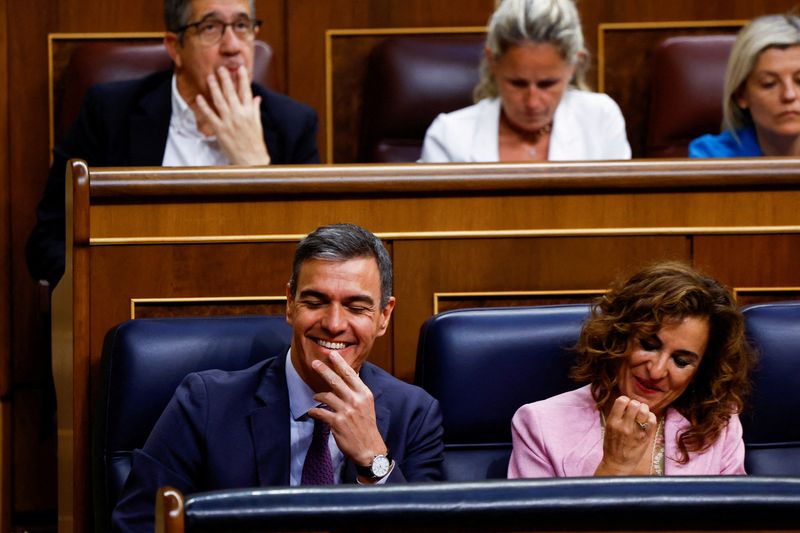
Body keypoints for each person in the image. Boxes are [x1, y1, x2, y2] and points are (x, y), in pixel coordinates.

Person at [111, 223, 444, 531]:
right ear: (290, 304)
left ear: (384, 316)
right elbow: (138, 523)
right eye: (315, 302)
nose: (333, 324)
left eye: (356, 308)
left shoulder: (414, 415)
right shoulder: (206, 404)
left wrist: (374, 462)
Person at [27, 0, 319, 288]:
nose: (232, 46)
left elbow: (315, 257)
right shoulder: (110, 113)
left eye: (242, 26)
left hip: (252, 307)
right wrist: (110, 286)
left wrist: (257, 167)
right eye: (211, 27)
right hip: (136, 303)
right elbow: (50, 239)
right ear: (174, 46)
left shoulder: (293, 124)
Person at [508, 262, 754, 477]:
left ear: (701, 370)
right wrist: (614, 467)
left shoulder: (718, 423)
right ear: (619, 336)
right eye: (648, 345)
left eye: (681, 361)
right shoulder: (539, 424)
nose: (656, 371)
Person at [419, 0, 631, 163]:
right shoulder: (448, 135)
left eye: (547, 84)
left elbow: (618, 213)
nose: (532, 102)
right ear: (493, 63)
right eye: (518, 83)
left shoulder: (600, 119)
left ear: (574, 65)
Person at [690, 14, 800, 157]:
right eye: (769, 83)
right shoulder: (711, 157)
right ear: (741, 95)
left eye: (799, 80)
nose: (789, 95)